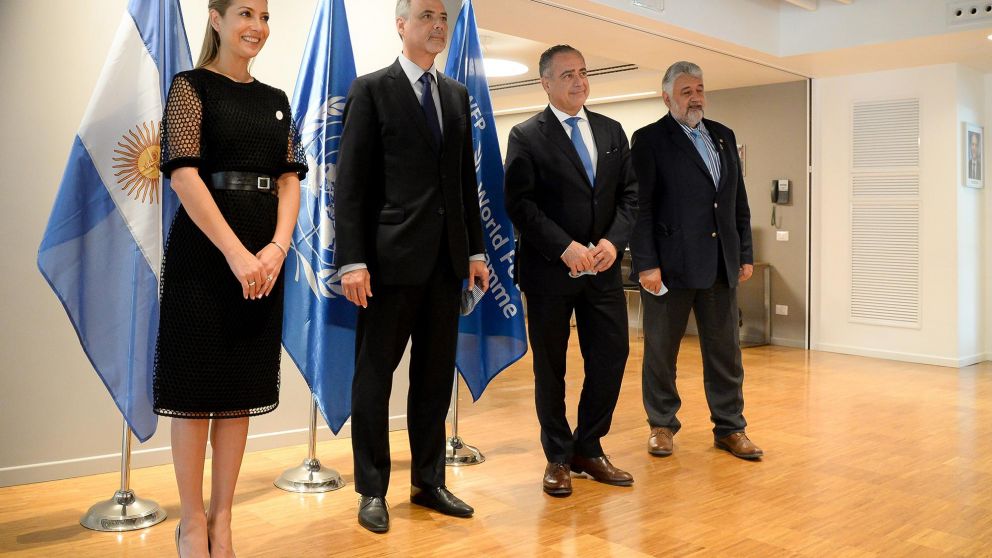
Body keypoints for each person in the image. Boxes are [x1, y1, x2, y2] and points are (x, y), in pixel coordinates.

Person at [153, 1, 305, 556]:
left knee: (239, 392)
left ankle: (223, 520)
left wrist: (276, 248)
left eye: (265, 17)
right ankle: (190, 522)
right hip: (204, 260)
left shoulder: (275, 101)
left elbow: (290, 180)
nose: (257, 28)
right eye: (246, 13)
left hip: (264, 261)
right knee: (196, 395)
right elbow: (185, 176)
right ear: (216, 19)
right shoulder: (191, 87)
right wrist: (238, 254)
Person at [334, 0, 488, 534]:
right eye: (426, 15)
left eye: (442, 17)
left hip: (446, 265)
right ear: (401, 26)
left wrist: (474, 251)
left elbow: (463, 181)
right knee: (373, 378)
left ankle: (428, 481)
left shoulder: (456, 94)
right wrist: (351, 260)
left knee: (433, 379)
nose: (437, 24)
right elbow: (349, 183)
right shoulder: (371, 89)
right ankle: (372, 488)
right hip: (385, 264)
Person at [504, 45, 638, 497]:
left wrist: (611, 242)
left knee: (611, 357)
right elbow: (519, 204)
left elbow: (630, 197)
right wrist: (564, 248)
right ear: (545, 82)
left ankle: (589, 447)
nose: (579, 81)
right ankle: (558, 457)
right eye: (567, 75)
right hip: (549, 273)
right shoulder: (526, 135)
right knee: (552, 368)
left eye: (583, 72)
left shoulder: (612, 131)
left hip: (602, 270)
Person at [629, 61, 763, 461]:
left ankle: (730, 427)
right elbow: (642, 208)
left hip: (720, 265)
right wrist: (646, 264)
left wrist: (743, 253)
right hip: (669, 266)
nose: (695, 97)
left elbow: (737, 200)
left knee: (725, 353)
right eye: (686, 91)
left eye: (700, 89)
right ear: (667, 96)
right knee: (660, 352)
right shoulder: (649, 140)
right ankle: (661, 426)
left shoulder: (723, 136)